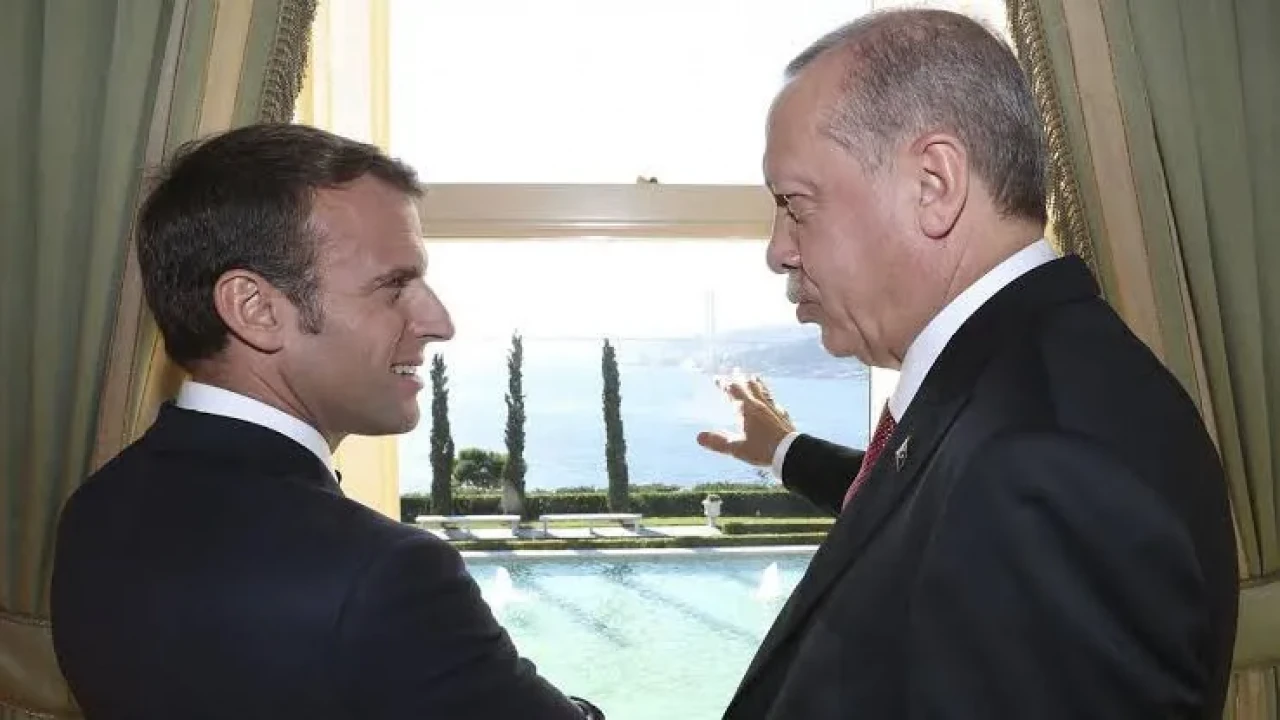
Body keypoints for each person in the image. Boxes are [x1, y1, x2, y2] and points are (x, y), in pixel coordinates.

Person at [698, 9, 1238, 719]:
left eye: (795, 205)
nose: (778, 250)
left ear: (935, 183)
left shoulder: (1044, 463)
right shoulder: (1018, 389)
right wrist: (783, 449)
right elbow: (917, 504)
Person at [51, 124, 603, 719]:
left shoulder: (95, 511)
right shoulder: (384, 575)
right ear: (255, 309)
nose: (439, 322)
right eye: (394, 286)